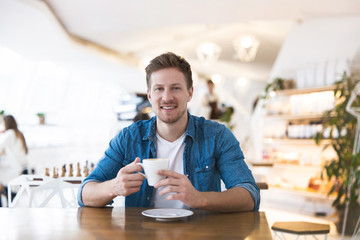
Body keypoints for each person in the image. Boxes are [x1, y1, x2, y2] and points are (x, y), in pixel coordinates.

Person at [78, 52, 260, 212]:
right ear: (149, 95)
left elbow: (249, 195)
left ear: (189, 93)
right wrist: (114, 187)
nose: (166, 97)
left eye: (175, 88)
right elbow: (85, 193)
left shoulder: (217, 136)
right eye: (159, 89)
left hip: (200, 234)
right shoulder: (128, 138)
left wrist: (199, 198)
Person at [0, 115, 28, 207]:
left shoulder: (10, 133)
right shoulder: (18, 133)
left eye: (2, 123)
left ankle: (7, 196)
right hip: (21, 168)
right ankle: (9, 196)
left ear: (6, 124)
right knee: (10, 192)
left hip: (12, 168)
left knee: (5, 188)